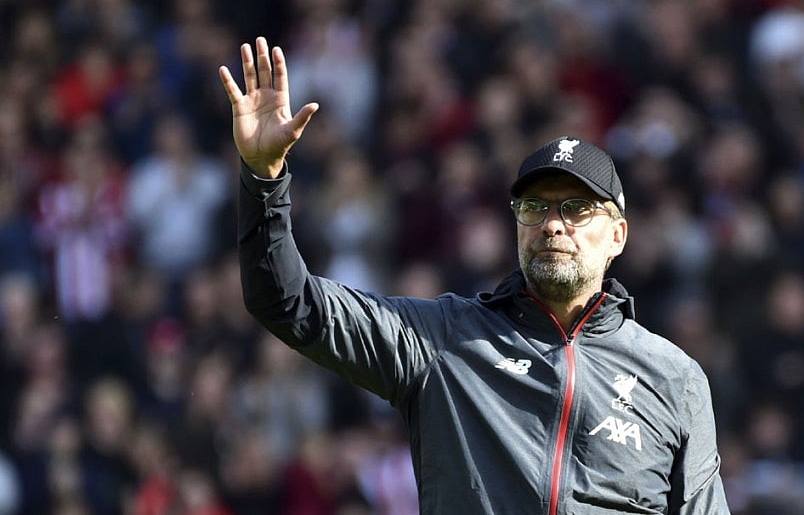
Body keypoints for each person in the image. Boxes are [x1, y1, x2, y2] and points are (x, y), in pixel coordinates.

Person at [219, 37, 730, 514]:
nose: (552, 224)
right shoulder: (443, 339)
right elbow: (288, 303)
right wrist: (264, 179)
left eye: (576, 208)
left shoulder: (674, 378)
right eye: (534, 206)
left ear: (618, 235)